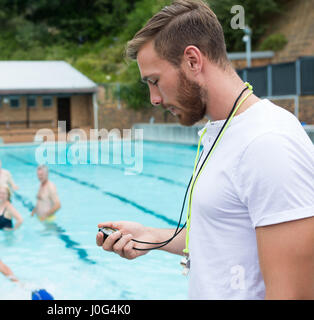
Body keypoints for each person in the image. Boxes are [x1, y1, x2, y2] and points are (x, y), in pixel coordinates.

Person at [96, 0, 313, 300]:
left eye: (155, 81)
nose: (154, 99)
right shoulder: (224, 132)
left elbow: (294, 293)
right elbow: (227, 234)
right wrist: (153, 237)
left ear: (193, 61)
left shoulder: (267, 142)